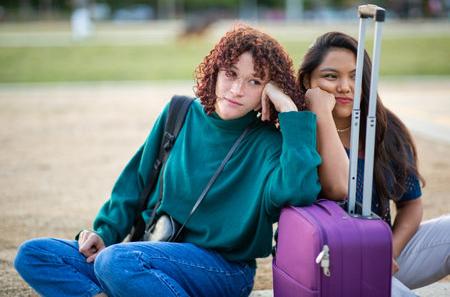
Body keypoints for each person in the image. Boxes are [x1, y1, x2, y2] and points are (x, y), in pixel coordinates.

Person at [14, 23, 322, 297]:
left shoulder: (268, 143)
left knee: (117, 262)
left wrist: (289, 111)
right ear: (215, 71)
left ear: (268, 91)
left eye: (255, 82)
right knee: (35, 254)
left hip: (222, 269)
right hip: (149, 252)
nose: (237, 90)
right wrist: (105, 232)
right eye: (231, 74)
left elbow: (300, 190)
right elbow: (136, 183)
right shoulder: (180, 113)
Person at [297, 31, 449, 296]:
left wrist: (389, 249)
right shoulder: (298, 132)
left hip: (379, 252)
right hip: (325, 265)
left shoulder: (384, 128)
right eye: (331, 76)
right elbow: (337, 188)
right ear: (308, 80)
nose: (345, 86)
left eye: (355, 76)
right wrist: (320, 112)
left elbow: (411, 203)